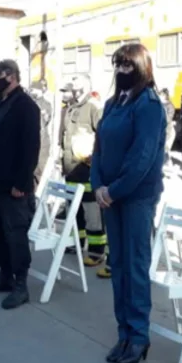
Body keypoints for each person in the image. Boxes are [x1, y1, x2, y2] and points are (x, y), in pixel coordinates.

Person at [91, 43, 165, 363]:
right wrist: (97, 186)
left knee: (135, 267)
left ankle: (138, 337)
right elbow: (99, 149)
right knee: (118, 265)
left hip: (135, 198)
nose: (121, 71)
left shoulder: (149, 106)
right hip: (111, 196)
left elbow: (142, 159)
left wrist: (113, 190)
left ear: (142, 68)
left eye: (127, 66)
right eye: (117, 65)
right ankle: (124, 333)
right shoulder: (111, 104)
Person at [0, 59, 40, 310]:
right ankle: (4, 275)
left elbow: (30, 148)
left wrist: (22, 183)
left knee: (15, 234)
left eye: (0, 74)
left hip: (14, 185)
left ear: (12, 76)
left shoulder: (26, 106)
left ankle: (20, 285)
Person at [59, 74, 107, 266]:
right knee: (74, 210)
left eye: (77, 83)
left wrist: (94, 159)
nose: (73, 87)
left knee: (92, 212)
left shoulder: (93, 107)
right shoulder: (71, 107)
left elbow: (103, 136)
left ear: (85, 86)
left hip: (87, 169)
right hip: (71, 168)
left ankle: (96, 252)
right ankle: (76, 243)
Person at [29, 80, 53, 184]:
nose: (32, 92)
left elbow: (46, 119)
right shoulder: (28, 102)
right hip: (31, 142)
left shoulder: (46, 104)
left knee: (40, 171)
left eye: (34, 89)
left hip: (42, 143)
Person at [159, 88, 175, 166]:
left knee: (165, 147)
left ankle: (168, 161)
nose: (159, 96)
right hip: (159, 130)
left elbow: (169, 118)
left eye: (161, 95)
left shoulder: (170, 106)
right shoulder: (159, 104)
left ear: (165, 96)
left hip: (166, 130)